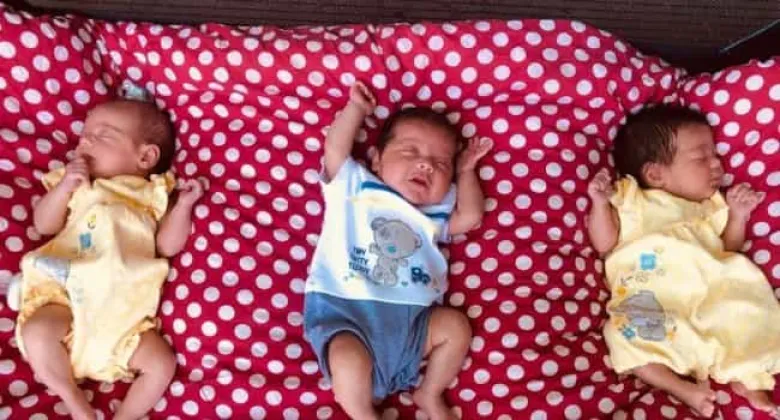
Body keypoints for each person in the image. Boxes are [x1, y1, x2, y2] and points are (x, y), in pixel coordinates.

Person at [303, 81, 492, 420]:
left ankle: (430, 393)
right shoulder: (355, 186)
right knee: (346, 358)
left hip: (414, 323)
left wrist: (466, 172)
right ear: (376, 160)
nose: (426, 166)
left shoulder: (434, 213)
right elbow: (334, 148)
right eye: (410, 152)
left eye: (441, 163)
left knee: (455, 327)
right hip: (347, 312)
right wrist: (356, 110)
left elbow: (471, 216)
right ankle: (363, 412)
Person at [11, 98, 204, 420]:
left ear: (145, 157)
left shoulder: (154, 194)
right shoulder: (77, 184)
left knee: (162, 364)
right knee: (37, 330)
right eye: (84, 134)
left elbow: (168, 246)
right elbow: (44, 224)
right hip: (67, 298)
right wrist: (65, 188)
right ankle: (74, 400)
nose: (85, 141)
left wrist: (183, 208)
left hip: (122, 318)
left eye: (103, 135)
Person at [587, 104, 779, 417]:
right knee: (620, 336)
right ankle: (682, 389)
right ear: (655, 174)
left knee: (748, 317)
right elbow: (604, 243)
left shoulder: (709, 207)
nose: (717, 164)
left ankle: (749, 380)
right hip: (655, 306)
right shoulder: (632, 198)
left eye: (715, 154)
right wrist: (599, 205)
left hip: (710, 298)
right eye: (702, 157)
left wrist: (738, 216)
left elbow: (726, 252)